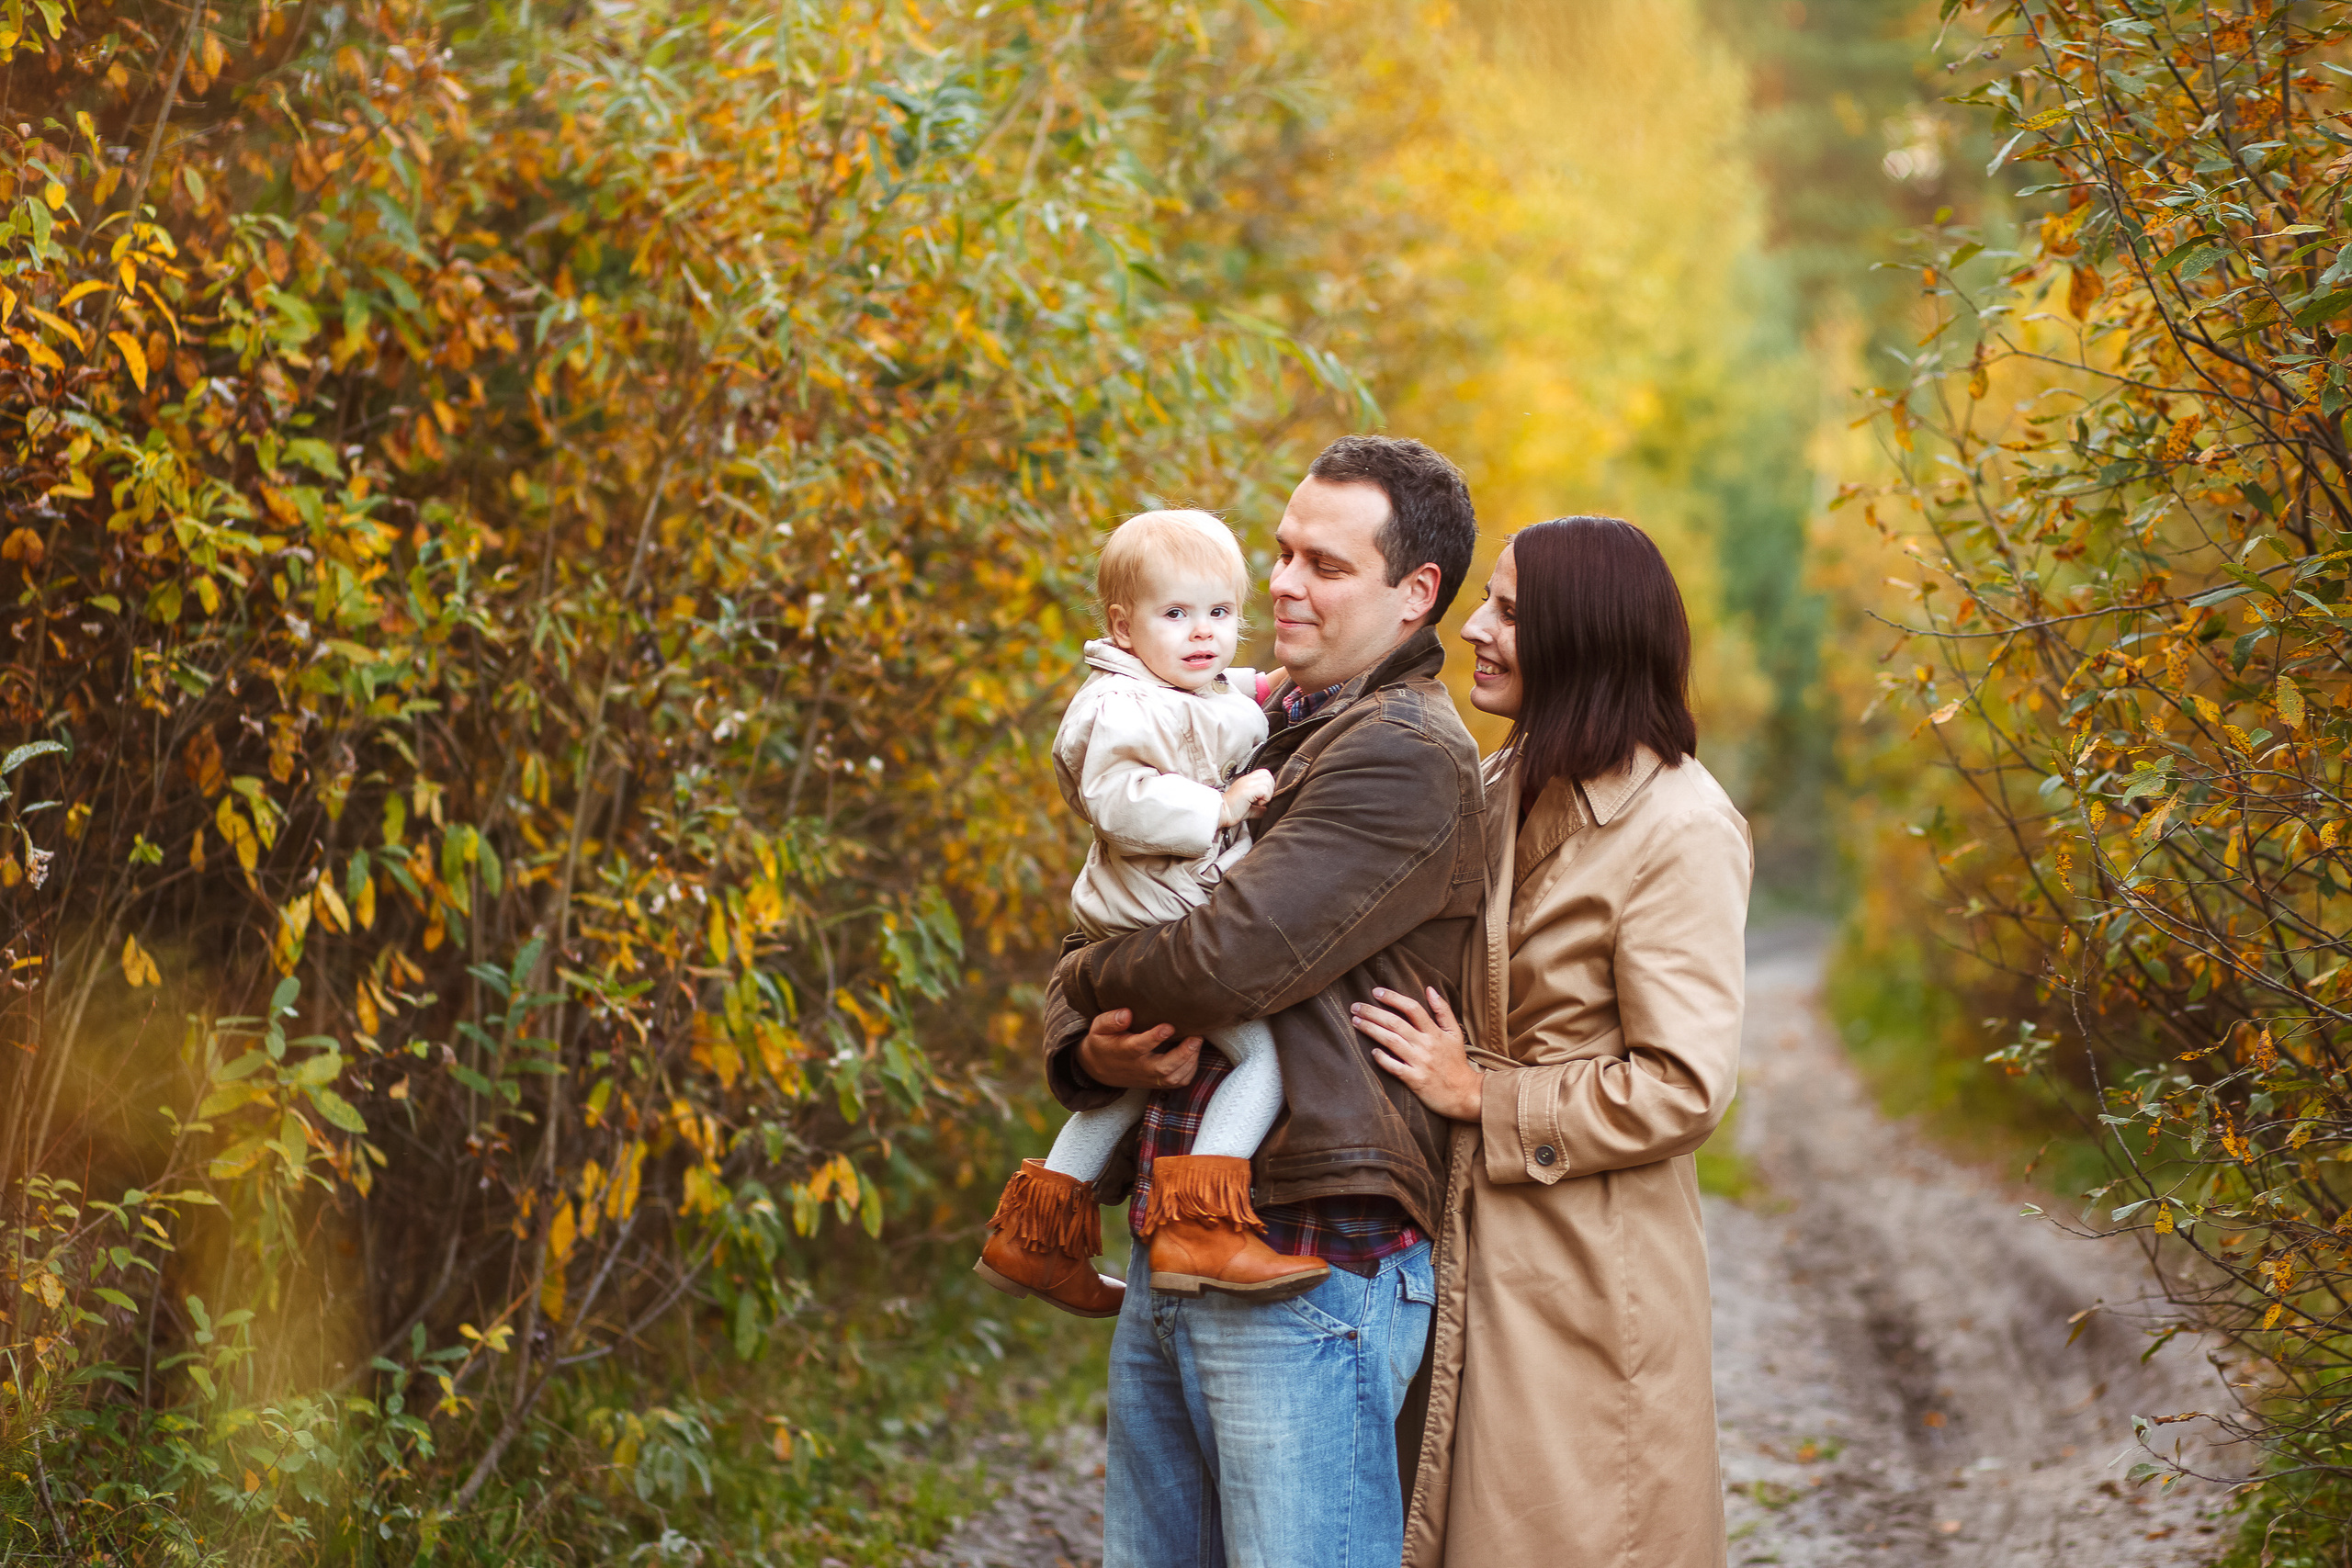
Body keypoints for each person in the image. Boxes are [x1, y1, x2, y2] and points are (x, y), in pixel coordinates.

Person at [1038, 434, 1486, 1568]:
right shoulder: (1243, 715)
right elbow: (1117, 922)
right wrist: (1091, 1047)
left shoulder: (1401, 753)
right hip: (1179, 1241)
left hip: (1310, 1262)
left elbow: (1214, 965)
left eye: (1324, 566)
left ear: (1413, 593)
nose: (1281, 583)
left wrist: (1091, 982)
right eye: (1281, 552)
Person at [1348, 515, 1750, 1568]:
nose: (1475, 626)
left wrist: (1485, 1097)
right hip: (1471, 1245)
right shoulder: (1504, 781)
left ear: (1584, 636)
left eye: (1511, 613)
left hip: (1588, 1273)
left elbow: (1683, 1085)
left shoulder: (1681, 826)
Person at [974, 509, 1328, 1318]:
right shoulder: (1117, 707)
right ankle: (1199, 1224)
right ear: (1122, 627)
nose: (1204, 635)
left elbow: (1217, 700)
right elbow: (1122, 798)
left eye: (1220, 614)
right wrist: (1221, 807)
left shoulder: (1180, 684)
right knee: (1265, 1062)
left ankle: (1037, 1232)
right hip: (1158, 916)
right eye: (1176, 615)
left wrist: (1269, 687)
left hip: (1160, 914)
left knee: (1140, 1072)